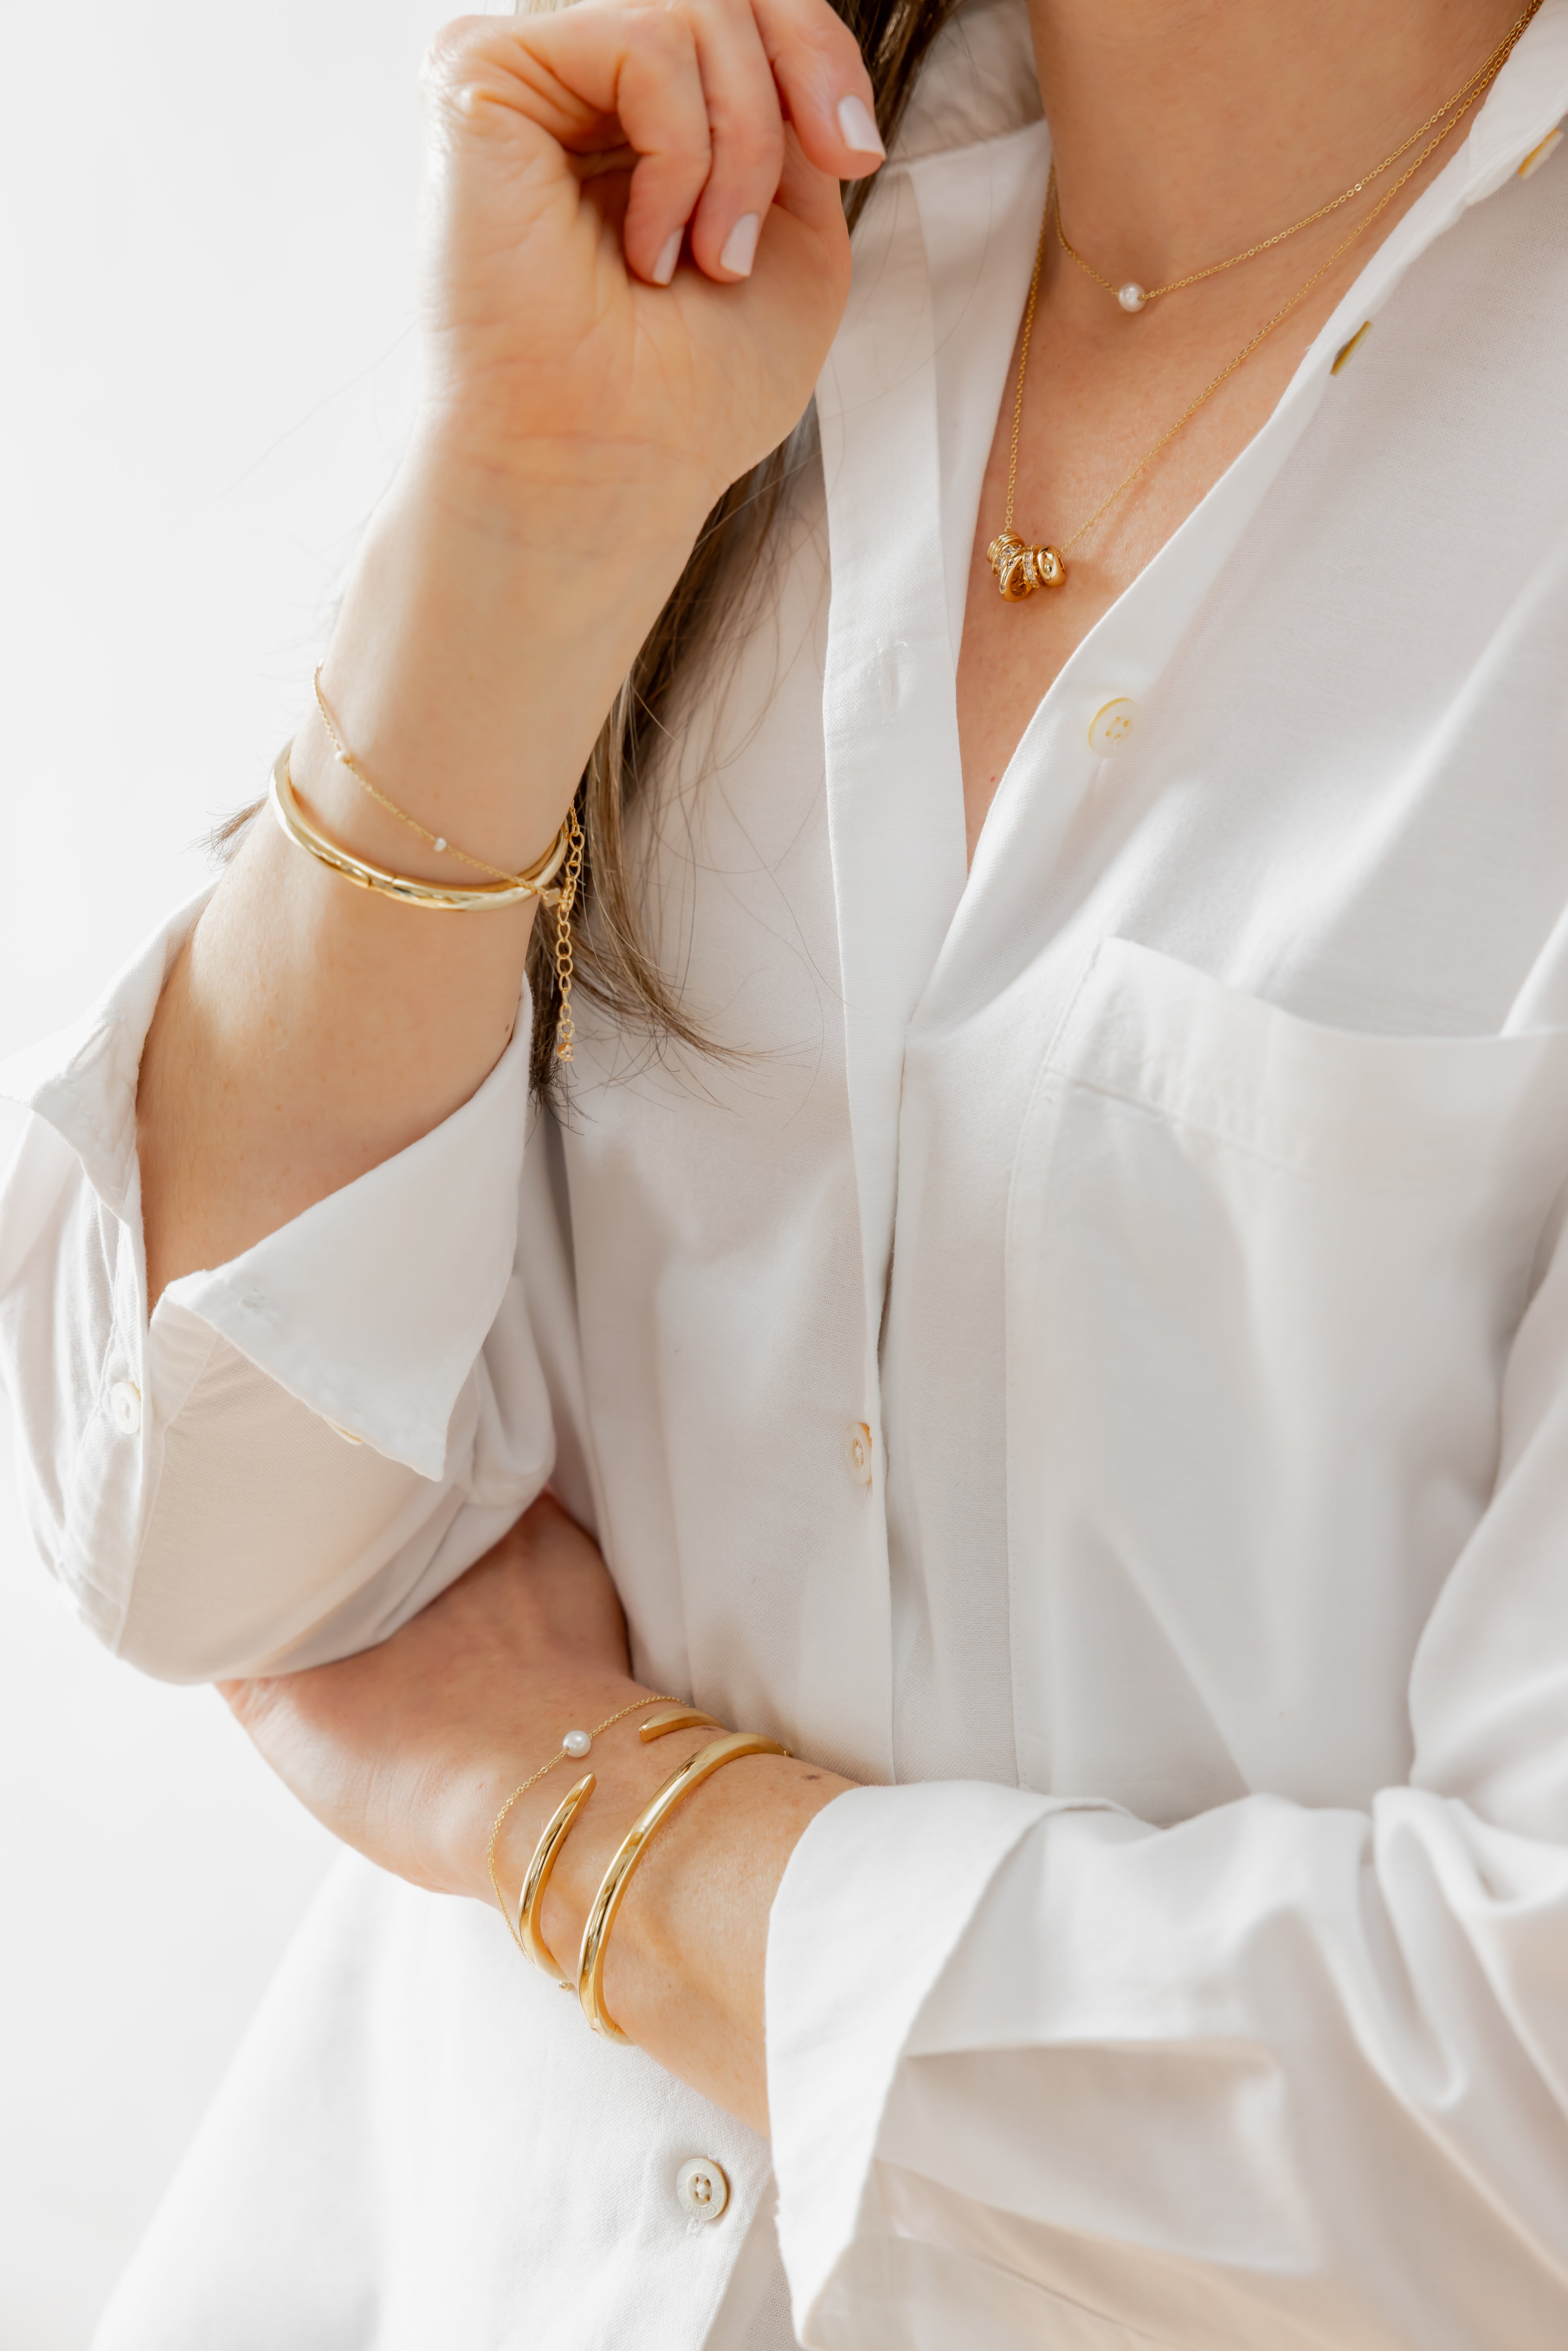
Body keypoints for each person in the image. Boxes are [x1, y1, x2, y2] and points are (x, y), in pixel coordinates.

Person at [4, 0, 1568, 2338]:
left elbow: (1517, 2118)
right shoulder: (726, 224)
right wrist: (524, 520)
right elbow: (198, 1528)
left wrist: (583, 1818)